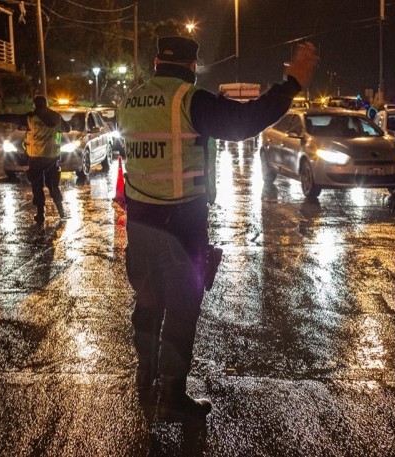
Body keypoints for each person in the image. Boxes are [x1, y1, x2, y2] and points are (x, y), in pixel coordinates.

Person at [119, 36, 318, 422]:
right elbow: (243, 122)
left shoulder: (129, 101)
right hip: (180, 224)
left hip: (139, 223)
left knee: (147, 303)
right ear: (193, 66)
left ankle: (146, 375)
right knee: (181, 310)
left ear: (156, 62)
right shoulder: (189, 99)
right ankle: (171, 395)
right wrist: (292, 82)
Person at [0, 96, 69, 223]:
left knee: (37, 186)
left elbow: (9, 117)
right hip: (52, 159)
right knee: (53, 186)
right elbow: (69, 129)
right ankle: (61, 212)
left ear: (35, 105)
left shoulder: (30, 118)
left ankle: (41, 214)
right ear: (46, 104)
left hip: (36, 159)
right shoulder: (57, 118)